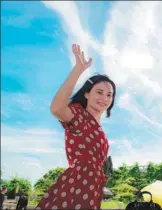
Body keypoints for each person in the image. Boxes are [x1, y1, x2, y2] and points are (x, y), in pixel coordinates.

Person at [35, 44, 116, 210]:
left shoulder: (100, 131)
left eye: (109, 94)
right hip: (77, 186)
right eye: (99, 92)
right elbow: (57, 109)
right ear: (87, 93)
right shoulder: (79, 115)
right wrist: (78, 69)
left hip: (93, 188)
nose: (104, 98)